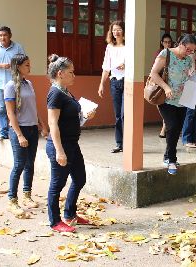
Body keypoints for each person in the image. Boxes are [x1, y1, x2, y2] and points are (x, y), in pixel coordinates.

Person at [46, 54, 96, 233]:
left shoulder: (65, 91)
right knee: (57, 185)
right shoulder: (55, 93)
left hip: (72, 144)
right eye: (71, 72)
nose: (74, 75)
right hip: (60, 146)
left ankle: (70, 214)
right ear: (60, 73)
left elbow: (70, 118)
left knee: (80, 179)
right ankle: (55, 221)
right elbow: (53, 124)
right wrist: (59, 151)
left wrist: (84, 116)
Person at [4, 54, 48, 216]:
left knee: (30, 164)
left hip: (32, 129)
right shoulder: (10, 86)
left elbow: (32, 109)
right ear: (18, 67)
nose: (29, 67)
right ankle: (12, 200)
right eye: (26, 65)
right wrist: (19, 135)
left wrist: (42, 126)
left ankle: (27, 196)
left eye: (29, 64)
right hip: (19, 130)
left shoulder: (28, 83)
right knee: (19, 165)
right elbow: (10, 113)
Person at [150, 34, 196, 175]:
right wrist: (166, 87)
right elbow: (153, 74)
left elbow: (189, 76)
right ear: (181, 44)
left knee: (176, 130)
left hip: (182, 99)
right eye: (188, 49)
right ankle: (171, 159)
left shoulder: (188, 60)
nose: (190, 53)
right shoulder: (166, 53)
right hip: (166, 98)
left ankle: (167, 156)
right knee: (172, 126)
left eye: (192, 51)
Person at [0, 26, 25, 141]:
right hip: (0, 85)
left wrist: (14, 65)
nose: (2, 37)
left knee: (17, 108)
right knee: (2, 109)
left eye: (5, 35)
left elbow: (24, 62)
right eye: (0, 35)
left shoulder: (18, 47)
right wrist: (1, 66)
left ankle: (15, 131)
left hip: (15, 84)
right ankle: (3, 132)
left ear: (10, 35)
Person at [98, 20, 125, 153]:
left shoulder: (129, 46)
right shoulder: (110, 47)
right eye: (114, 30)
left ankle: (128, 142)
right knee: (118, 115)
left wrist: (127, 65)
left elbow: (135, 63)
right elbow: (106, 67)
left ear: (124, 31)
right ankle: (119, 143)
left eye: (119, 29)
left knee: (125, 113)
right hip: (114, 82)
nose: (116, 32)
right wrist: (101, 84)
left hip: (127, 81)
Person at [155, 33, 173, 139]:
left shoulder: (172, 53)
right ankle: (166, 126)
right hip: (160, 82)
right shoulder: (160, 53)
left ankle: (164, 128)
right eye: (165, 42)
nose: (167, 44)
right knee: (160, 104)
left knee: (168, 105)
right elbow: (155, 69)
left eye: (169, 42)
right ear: (162, 43)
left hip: (170, 82)